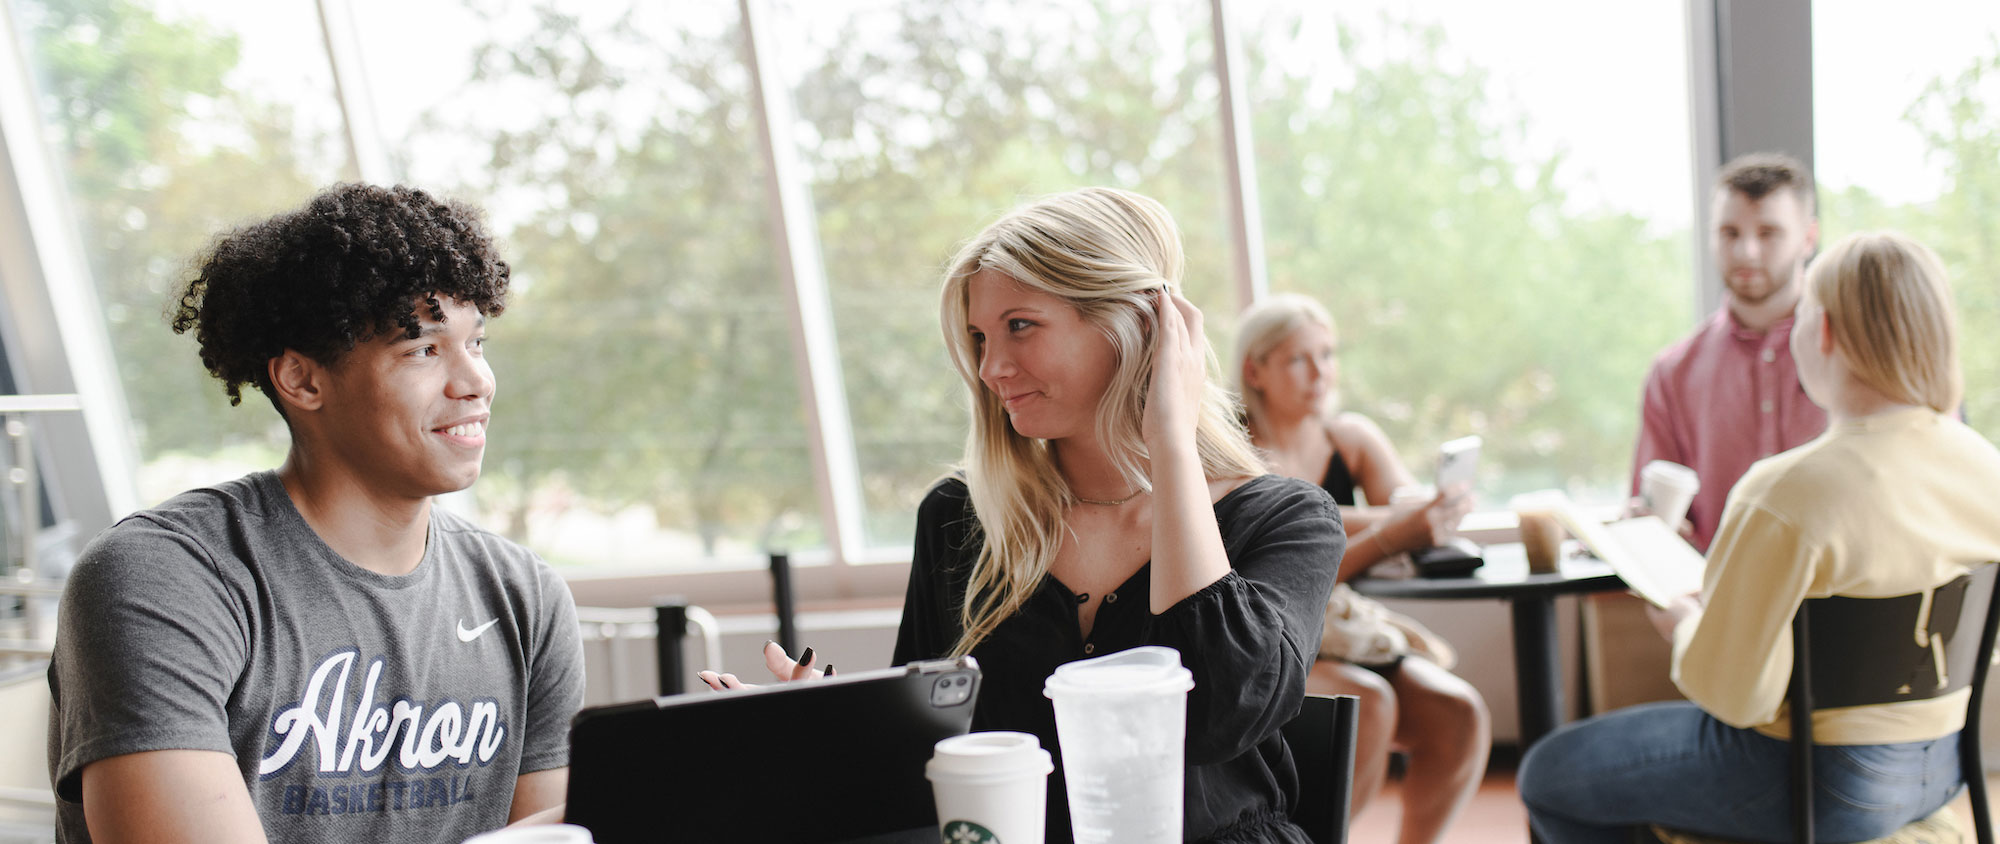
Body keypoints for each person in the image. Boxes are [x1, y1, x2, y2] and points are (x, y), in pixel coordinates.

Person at [46, 184, 586, 844]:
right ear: (303, 380)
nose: (475, 381)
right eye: (424, 349)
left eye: (477, 342)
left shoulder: (524, 597)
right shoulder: (160, 580)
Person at [891, 187, 1343, 843]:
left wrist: (1171, 442)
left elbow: (1221, 713)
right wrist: (820, 716)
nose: (991, 368)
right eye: (979, 337)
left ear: (1137, 322)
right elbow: (925, 747)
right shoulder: (960, 518)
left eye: (1020, 325)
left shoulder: (1287, 518)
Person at [1517, 231, 2000, 842]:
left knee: (1550, 775)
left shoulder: (1785, 492)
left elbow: (1734, 698)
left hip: (1817, 783)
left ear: (1821, 331)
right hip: (1944, 766)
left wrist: (1684, 625)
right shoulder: (1987, 469)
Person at [1233, 293, 1487, 844]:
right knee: (1368, 703)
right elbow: (1295, 573)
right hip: (1274, 637)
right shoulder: (1231, 451)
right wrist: (1393, 528)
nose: (1320, 372)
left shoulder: (1350, 439)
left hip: (1345, 630)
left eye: (1328, 354)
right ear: (1255, 369)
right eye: (1300, 359)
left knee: (1458, 713)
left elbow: (1403, 504)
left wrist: (1430, 511)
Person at [1633, 152, 1826, 551]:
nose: (1746, 252)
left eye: (1768, 232)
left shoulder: (1854, 352)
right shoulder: (1672, 374)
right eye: (1730, 233)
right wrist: (1650, 529)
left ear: (1809, 238)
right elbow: (1653, 513)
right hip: (1720, 603)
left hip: (1842, 598)